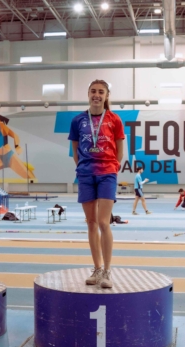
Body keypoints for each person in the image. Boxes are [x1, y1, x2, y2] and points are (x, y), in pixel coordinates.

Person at [68, 80, 125, 289]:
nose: (96, 95)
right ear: (88, 94)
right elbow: (75, 149)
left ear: (107, 95)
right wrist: (82, 166)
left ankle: (108, 271)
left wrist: (112, 167)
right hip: (85, 174)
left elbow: (120, 148)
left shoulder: (114, 119)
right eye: (93, 91)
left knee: (103, 222)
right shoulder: (78, 120)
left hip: (107, 173)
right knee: (90, 222)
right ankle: (97, 268)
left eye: (101, 92)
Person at [0, 112, 36, 180]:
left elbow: (15, 135)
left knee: (30, 178)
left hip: (8, 156)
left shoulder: (2, 127)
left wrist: (17, 146)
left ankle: (24, 167)